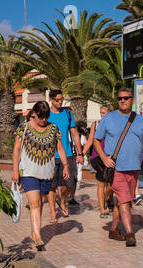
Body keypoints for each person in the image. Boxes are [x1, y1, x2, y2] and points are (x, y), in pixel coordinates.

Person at [93, 88, 143, 247]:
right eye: (120, 98)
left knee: (124, 201)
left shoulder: (141, 120)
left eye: (126, 98)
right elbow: (96, 140)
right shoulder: (109, 118)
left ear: (132, 100)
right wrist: (103, 158)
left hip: (134, 167)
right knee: (125, 201)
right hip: (116, 168)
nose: (122, 100)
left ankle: (113, 229)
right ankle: (130, 233)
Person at [12, 101, 69, 251]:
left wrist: (66, 165)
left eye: (46, 116)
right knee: (34, 203)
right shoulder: (23, 128)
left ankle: (33, 231)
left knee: (40, 203)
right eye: (41, 116)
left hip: (47, 173)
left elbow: (60, 149)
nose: (44, 119)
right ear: (35, 114)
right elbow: (16, 150)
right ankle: (38, 237)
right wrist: (14, 171)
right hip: (28, 173)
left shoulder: (53, 129)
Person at [47, 90, 84, 222]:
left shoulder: (67, 114)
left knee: (70, 182)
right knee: (51, 185)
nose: (60, 101)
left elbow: (75, 134)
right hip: (49, 156)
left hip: (67, 154)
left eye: (61, 99)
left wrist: (80, 153)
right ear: (51, 99)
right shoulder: (46, 114)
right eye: (57, 99)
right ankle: (52, 212)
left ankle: (62, 200)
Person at [82, 105, 114, 218]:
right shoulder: (96, 124)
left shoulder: (114, 124)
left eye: (104, 112)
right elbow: (90, 140)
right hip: (97, 157)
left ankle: (106, 198)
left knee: (112, 184)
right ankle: (102, 208)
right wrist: (82, 154)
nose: (101, 114)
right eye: (101, 112)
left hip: (111, 156)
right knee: (101, 183)